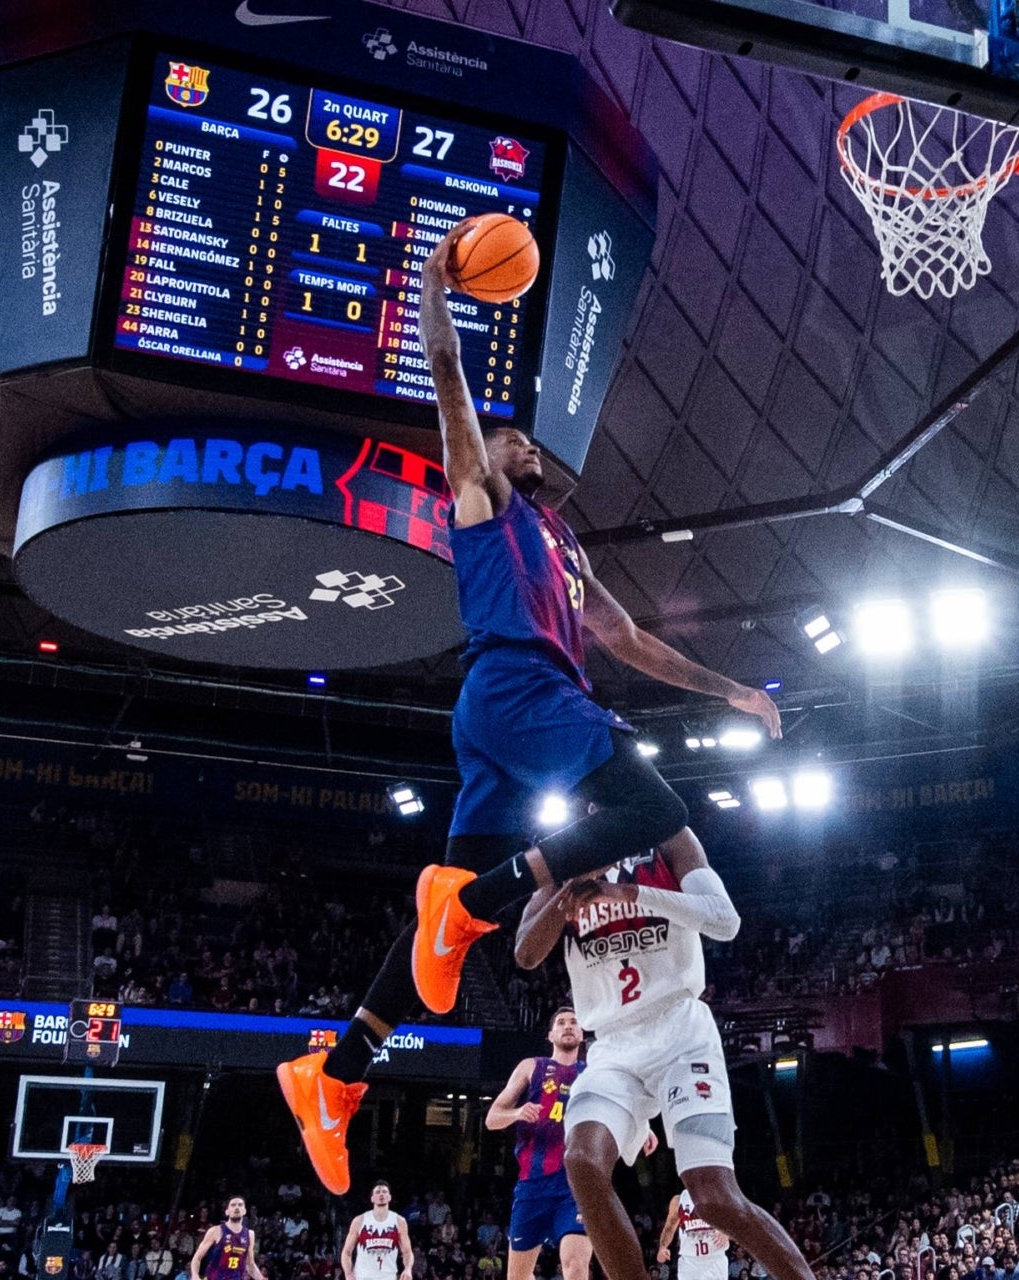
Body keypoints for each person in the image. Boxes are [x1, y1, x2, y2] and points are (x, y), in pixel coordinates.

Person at [276, 219, 783, 1196]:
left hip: (509, 715)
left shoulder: (565, 544)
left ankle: (332, 1077)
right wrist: (434, 286)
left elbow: (630, 642)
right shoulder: (482, 502)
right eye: (510, 435)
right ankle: (462, 902)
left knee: (441, 942)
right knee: (656, 815)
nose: (522, 442)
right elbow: (446, 380)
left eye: (522, 437)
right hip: (522, 689)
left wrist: (731, 689)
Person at [512, 831, 814, 1280]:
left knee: (713, 1197)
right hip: (612, 1044)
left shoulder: (669, 837)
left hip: (680, 1030)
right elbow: (526, 953)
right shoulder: (563, 857)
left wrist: (630, 892)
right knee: (581, 1162)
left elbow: (724, 921)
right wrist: (568, 890)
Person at [484, 1010, 599, 1280]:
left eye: (574, 1023)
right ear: (550, 1035)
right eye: (561, 1023)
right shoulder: (531, 1066)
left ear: (582, 1035)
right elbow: (491, 1118)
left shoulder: (594, 1072)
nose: (568, 1027)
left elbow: (618, 1106)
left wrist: (639, 1131)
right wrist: (517, 1112)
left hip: (575, 1184)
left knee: (574, 1264)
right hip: (532, 1186)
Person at [339, 1183, 411, 1280]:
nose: (381, 1194)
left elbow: (407, 1252)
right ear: (372, 1198)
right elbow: (346, 1252)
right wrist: (348, 1274)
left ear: (389, 1197)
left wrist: (408, 1269)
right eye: (377, 1192)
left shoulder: (399, 1221)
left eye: (384, 1192)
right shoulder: (359, 1220)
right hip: (363, 1276)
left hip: (388, 1277)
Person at [658, 1188, 728, 1280]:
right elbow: (669, 1227)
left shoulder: (719, 1196)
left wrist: (727, 1233)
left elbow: (736, 1220)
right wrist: (662, 1247)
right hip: (690, 1261)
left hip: (715, 1259)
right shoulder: (679, 1200)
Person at [188, 1198, 265, 1280]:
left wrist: (262, 1278)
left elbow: (250, 1265)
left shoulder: (250, 1234)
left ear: (244, 1211)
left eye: (240, 1205)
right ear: (227, 1211)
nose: (237, 1207)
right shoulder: (216, 1231)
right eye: (233, 1205)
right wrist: (195, 1275)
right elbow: (197, 1257)